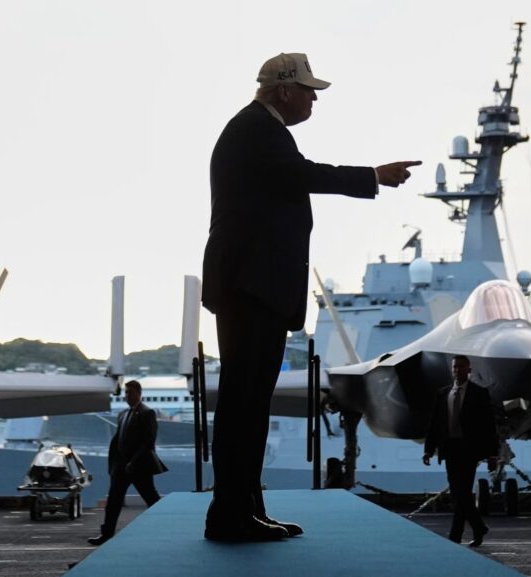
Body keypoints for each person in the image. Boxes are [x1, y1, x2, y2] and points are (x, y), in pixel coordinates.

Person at [201, 52, 421, 542]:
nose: (314, 100)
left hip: (252, 288)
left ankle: (243, 508)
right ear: (284, 90)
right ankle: (231, 514)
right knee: (244, 406)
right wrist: (373, 175)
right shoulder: (258, 130)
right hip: (252, 288)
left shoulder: (257, 129)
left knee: (249, 405)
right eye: (309, 91)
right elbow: (305, 174)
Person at [423, 356, 499, 546]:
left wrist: (492, 454)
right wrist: (428, 450)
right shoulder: (443, 393)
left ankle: (455, 537)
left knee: (462, 493)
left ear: (469, 369)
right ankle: (478, 527)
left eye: (461, 367)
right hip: (450, 450)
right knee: (459, 494)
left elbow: (489, 425)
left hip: (469, 450)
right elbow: (435, 424)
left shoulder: (479, 393)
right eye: (455, 367)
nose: (458, 370)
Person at [88, 380, 167, 546]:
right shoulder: (123, 414)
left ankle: (166, 529)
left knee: (151, 499)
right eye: (126, 392)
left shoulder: (147, 413)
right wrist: (115, 464)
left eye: (130, 392)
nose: (126, 395)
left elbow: (148, 442)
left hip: (139, 467)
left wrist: (133, 462)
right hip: (121, 467)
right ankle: (106, 534)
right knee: (113, 502)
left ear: (139, 393)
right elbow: (118, 440)